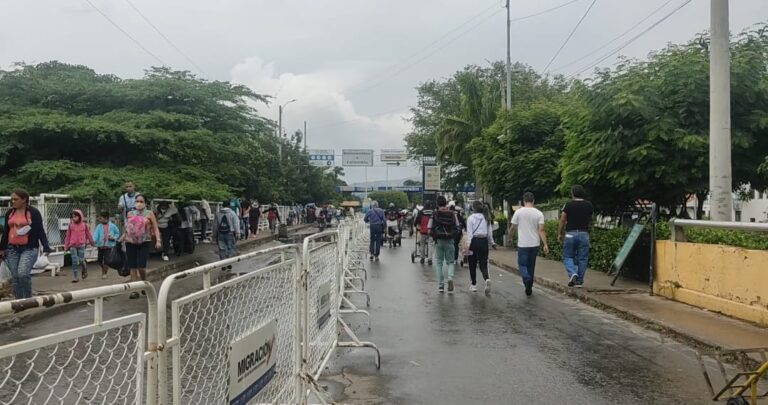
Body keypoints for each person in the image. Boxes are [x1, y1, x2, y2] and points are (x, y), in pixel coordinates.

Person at [0, 189, 52, 299]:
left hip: (29, 248)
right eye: (12, 199)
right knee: (15, 276)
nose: (13, 201)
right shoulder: (10, 213)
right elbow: (6, 232)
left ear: (24, 200)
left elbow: (40, 230)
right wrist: (2, 248)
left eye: (16, 199)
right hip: (12, 248)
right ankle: (18, 301)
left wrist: (46, 247)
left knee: (23, 274)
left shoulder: (33, 213)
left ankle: (28, 299)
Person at [120, 194, 161, 299]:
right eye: (137, 201)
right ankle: (134, 290)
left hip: (144, 242)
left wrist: (158, 241)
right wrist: (121, 239)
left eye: (141, 201)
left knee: (141, 266)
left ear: (145, 203)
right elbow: (128, 229)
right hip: (130, 242)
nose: (139, 203)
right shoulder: (130, 213)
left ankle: (144, 283)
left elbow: (156, 228)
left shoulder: (149, 214)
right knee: (132, 266)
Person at [509, 192, 550, 296]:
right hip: (534, 244)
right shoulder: (539, 213)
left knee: (522, 264)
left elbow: (513, 227)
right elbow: (541, 230)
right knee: (531, 266)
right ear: (533, 201)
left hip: (523, 244)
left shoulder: (518, 212)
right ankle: (529, 287)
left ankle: (526, 279)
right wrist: (545, 244)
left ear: (524, 201)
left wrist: (510, 237)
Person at [558, 185, 594, 288]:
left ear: (572, 193)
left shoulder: (568, 205)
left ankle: (572, 272)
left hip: (570, 234)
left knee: (568, 256)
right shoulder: (589, 205)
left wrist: (560, 233)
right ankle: (579, 281)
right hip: (584, 234)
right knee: (583, 258)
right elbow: (591, 220)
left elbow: (562, 220)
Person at [429, 196, 460, 293]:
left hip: (439, 240)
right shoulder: (452, 214)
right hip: (450, 240)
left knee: (439, 263)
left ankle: (441, 285)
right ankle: (450, 278)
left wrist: (433, 236)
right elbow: (457, 226)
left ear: (437, 204)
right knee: (450, 262)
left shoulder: (434, 214)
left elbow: (430, 228)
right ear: (446, 203)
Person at [467, 201, 496, 294]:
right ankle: (487, 279)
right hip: (484, 242)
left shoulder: (470, 218)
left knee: (472, 263)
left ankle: (474, 285)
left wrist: (468, 245)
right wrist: (492, 242)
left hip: (474, 242)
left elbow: (469, 234)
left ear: (473, 208)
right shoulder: (486, 218)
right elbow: (489, 233)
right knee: (483, 263)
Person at [63, 209, 95, 283]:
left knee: (81, 260)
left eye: (76, 216)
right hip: (72, 245)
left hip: (81, 245)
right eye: (73, 217)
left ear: (80, 217)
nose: (74, 218)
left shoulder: (84, 225)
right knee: (74, 261)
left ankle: (84, 267)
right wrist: (66, 246)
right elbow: (68, 236)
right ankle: (75, 277)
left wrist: (92, 242)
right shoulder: (71, 225)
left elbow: (88, 234)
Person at [93, 211, 120, 280]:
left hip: (109, 246)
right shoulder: (99, 226)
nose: (99, 219)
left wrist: (113, 238)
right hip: (101, 246)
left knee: (107, 260)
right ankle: (104, 269)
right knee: (99, 260)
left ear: (106, 218)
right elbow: (95, 235)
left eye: (101, 218)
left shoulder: (113, 226)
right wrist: (93, 241)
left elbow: (117, 233)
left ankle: (104, 273)